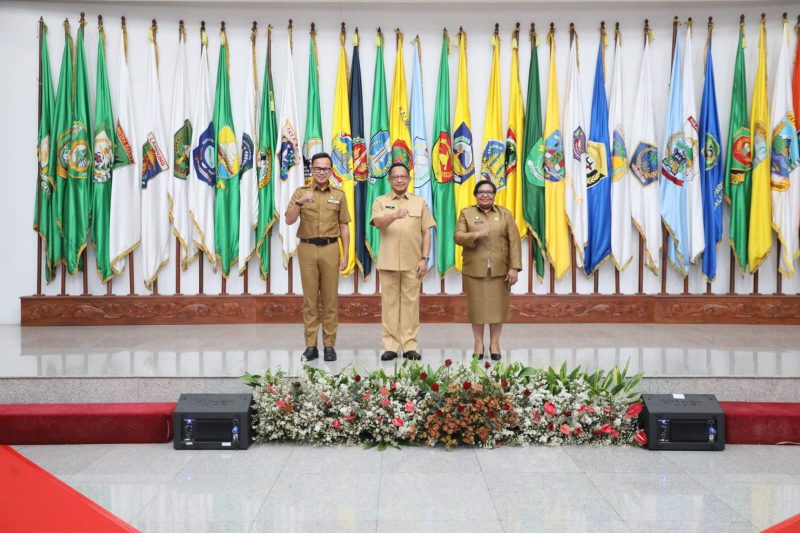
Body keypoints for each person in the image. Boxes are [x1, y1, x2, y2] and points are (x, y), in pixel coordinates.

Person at [285, 152, 351, 362]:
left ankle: (329, 345)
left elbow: (344, 226)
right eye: (318, 168)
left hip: (331, 248)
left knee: (330, 300)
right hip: (307, 249)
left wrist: (346, 253)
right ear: (312, 170)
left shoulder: (339, 195)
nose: (322, 172)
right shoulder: (301, 192)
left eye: (326, 169)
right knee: (310, 300)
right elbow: (288, 220)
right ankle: (311, 346)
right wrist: (300, 203)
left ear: (331, 171)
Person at [370, 162, 436, 361]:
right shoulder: (380, 201)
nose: (399, 179)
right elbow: (378, 223)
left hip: (413, 263)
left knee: (411, 305)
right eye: (395, 177)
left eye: (403, 176)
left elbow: (427, 232)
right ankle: (390, 346)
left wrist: (425, 259)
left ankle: (409, 346)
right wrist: (394, 215)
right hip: (388, 262)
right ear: (389, 180)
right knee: (389, 305)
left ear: (409, 179)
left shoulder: (419, 202)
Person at [454, 179, 522, 361]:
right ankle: (478, 344)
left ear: (494, 195)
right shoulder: (466, 213)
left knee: (497, 309)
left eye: (489, 192)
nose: (485, 195)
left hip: (500, 270)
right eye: (481, 192)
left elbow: (514, 242)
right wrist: (475, 234)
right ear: (475, 195)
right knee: (476, 309)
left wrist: (514, 267)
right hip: (474, 269)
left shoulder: (505, 214)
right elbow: (458, 237)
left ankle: (494, 344)